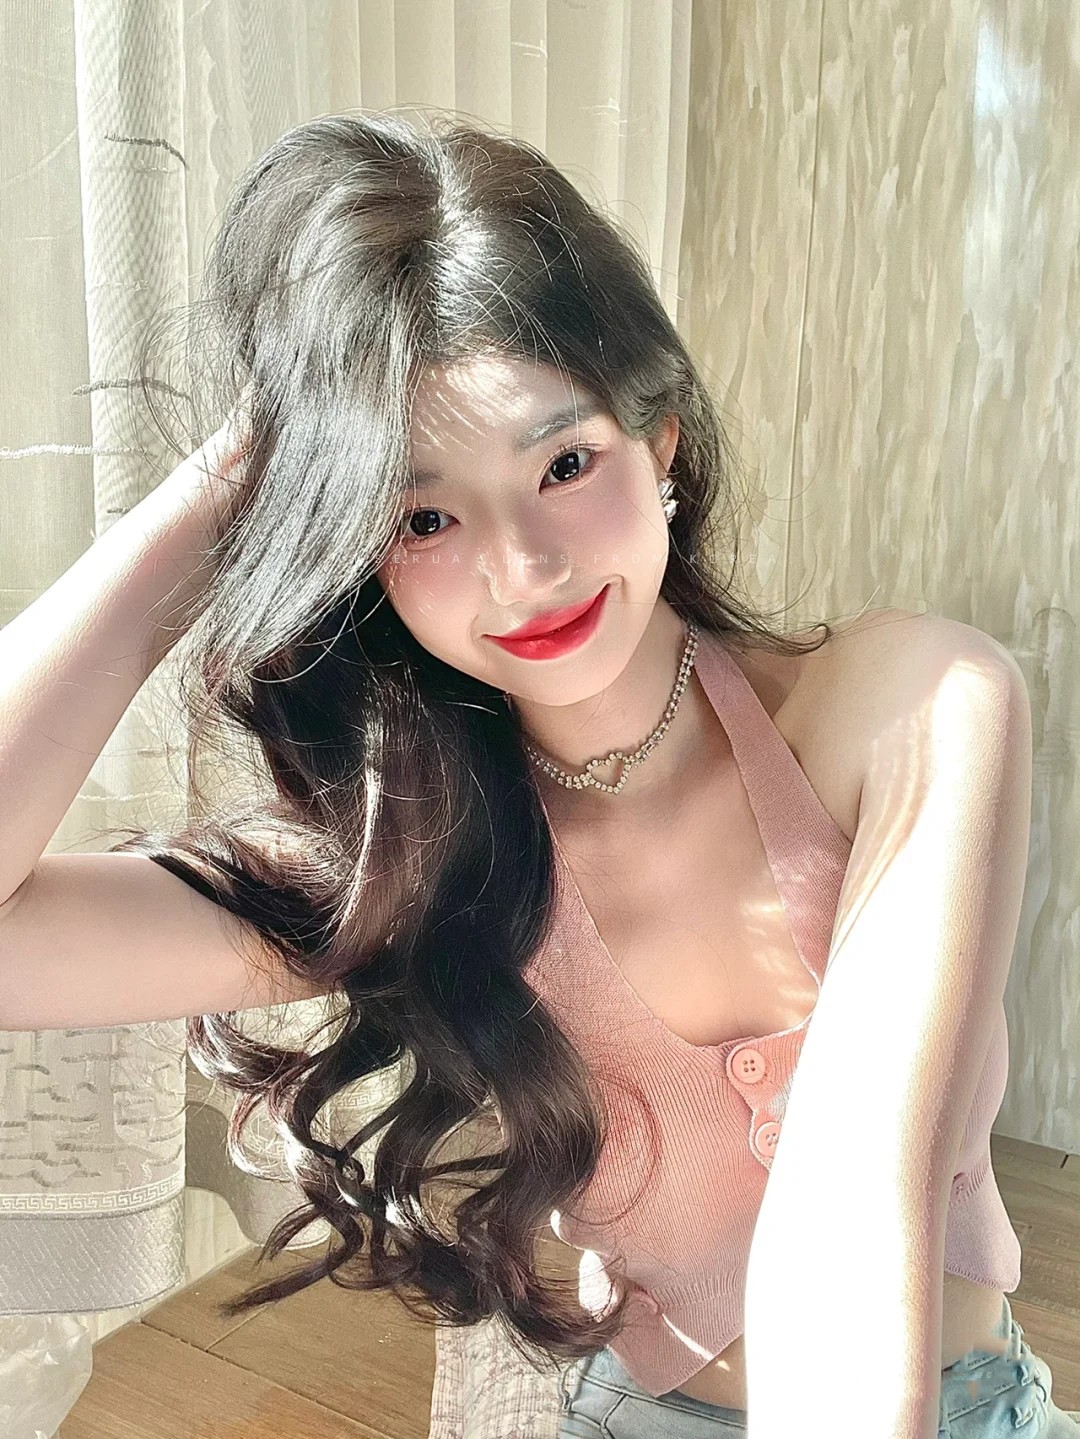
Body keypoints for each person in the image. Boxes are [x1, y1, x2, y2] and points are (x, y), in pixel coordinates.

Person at [0, 109, 1074, 1438]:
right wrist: (240, 482)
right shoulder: (406, 858)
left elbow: (854, 1199)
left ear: (659, 438)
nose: (526, 569)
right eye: (423, 514)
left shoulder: (912, 704)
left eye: (565, 463)